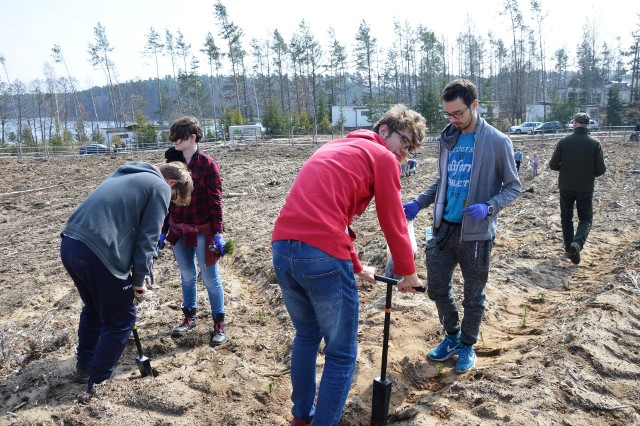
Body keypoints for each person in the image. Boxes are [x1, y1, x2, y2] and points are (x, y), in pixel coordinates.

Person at [272, 104, 426, 426]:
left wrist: (357, 265)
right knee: (341, 354)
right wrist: (408, 272)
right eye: (404, 141)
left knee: (307, 334)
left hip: (283, 249)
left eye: (410, 149)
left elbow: (330, 216)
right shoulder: (382, 158)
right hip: (322, 256)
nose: (404, 153)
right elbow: (394, 218)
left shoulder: (334, 147)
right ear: (384, 130)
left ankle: (301, 417)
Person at [402, 79, 521, 374]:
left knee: (473, 295)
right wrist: (419, 202)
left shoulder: (497, 142)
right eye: (448, 115)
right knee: (437, 290)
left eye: (458, 114)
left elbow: (513, 187)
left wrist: (489, 207)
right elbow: (443, 181)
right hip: (444, 229)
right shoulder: (449, 140)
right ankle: (452, 337)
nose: (453, 120)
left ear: (474, 105)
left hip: (476, 234)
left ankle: (467, 345)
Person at [60, 161, 193, 401]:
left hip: (71, 241)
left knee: (93, 309)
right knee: (121, 319)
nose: (170, 201)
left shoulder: (127, 172)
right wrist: (139, 279)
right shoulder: (159, 187)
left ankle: (85, 367)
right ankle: (97, 385)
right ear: (172, 183)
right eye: (174, 198)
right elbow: (149, 236)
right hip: (99, 251)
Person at [160, 116, 229, 346]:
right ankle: (189, 318)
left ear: (192, 137)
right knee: (187, 275)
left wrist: (218, 233)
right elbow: (165, 199)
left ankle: (219, 322)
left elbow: (215, 200)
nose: (174, 140)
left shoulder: (208, 165)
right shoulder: (172, 162)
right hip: (178, 229)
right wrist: (163, 229)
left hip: (203, 229)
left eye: (179, 136)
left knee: (210, 278)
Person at [549, 112, 606, 265]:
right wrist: (587, 172)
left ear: (574, 124)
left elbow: (553, 165)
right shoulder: (595, 143)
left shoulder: (564, 142)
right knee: (586, 219)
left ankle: (570, 249)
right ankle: (577, 244)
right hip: (585, 187)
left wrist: (567, 169)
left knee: (566, 218)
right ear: (587, 124)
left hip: (566, 186)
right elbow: (601, 169)